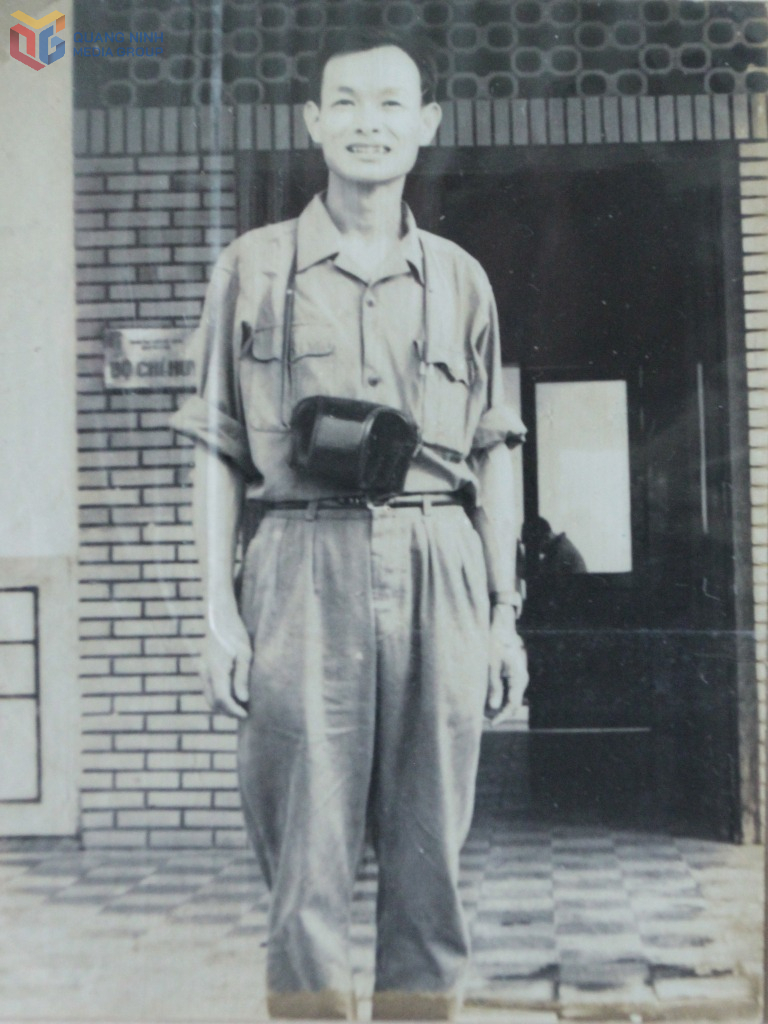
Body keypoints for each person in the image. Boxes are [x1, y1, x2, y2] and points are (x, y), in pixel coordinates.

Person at [171, 28, 527, 1022]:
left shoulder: (461, 278)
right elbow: (215, 447)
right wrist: (218, 614)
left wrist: (503, 616)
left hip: (440, 563)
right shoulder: (250, 268)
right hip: (298, 562)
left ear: (427, 124)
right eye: (347, 103)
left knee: (431, 858)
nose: (369, 124)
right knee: (304, 857)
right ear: (313, 123)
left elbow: (494, 451)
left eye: (390, 104)